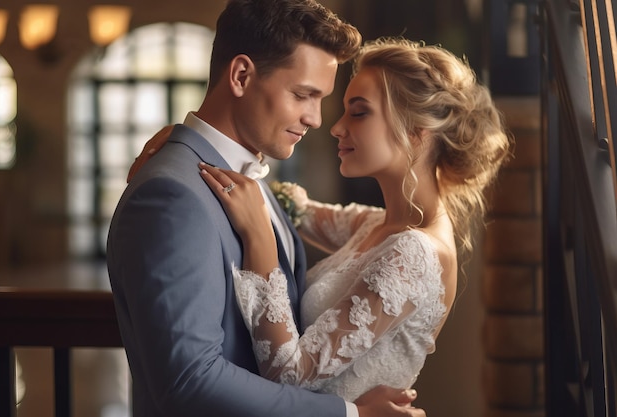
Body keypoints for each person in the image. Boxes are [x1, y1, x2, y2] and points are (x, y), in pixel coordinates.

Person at [107, 0, 426, 416]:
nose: (315, 119)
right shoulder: (172, 196)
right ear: (241, 75)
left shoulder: (246, 176)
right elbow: (189, 380)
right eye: (302, 95)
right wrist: (351, 414)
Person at [196, 37, 513, 400]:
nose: (335, 127)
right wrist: (193, 141)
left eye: (358, 112)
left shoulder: (414, 253)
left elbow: (291, 375)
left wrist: (260, 245)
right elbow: (291, 207)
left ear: (416, 132)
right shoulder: (375, 224)